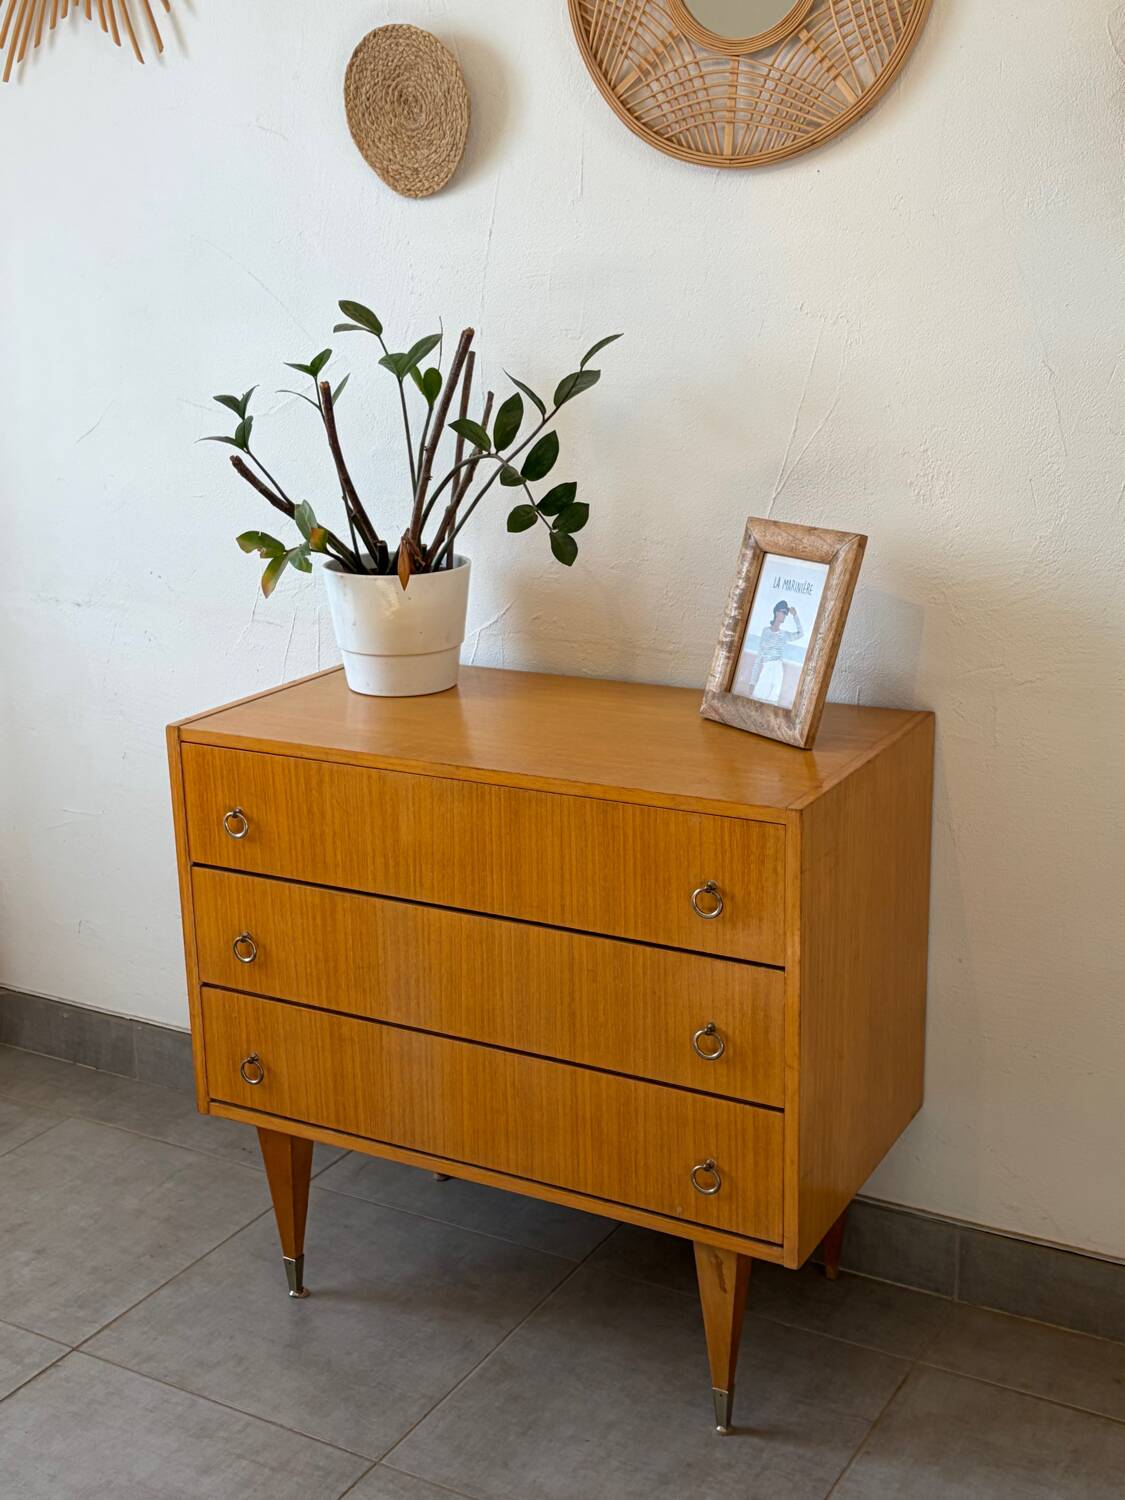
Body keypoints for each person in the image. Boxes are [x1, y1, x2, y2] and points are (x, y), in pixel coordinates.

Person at [749, 600, 803, 705]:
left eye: (786, 614)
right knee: (757, 698)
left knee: (773, 701)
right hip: (767, 668)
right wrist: (752, 682)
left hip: (778, 670)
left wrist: (795, 615)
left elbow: (800, 634)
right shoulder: (766, 631)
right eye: (783, 612)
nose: (784, 615)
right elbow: (759, 656)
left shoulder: (784, 635)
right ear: (777, 612)